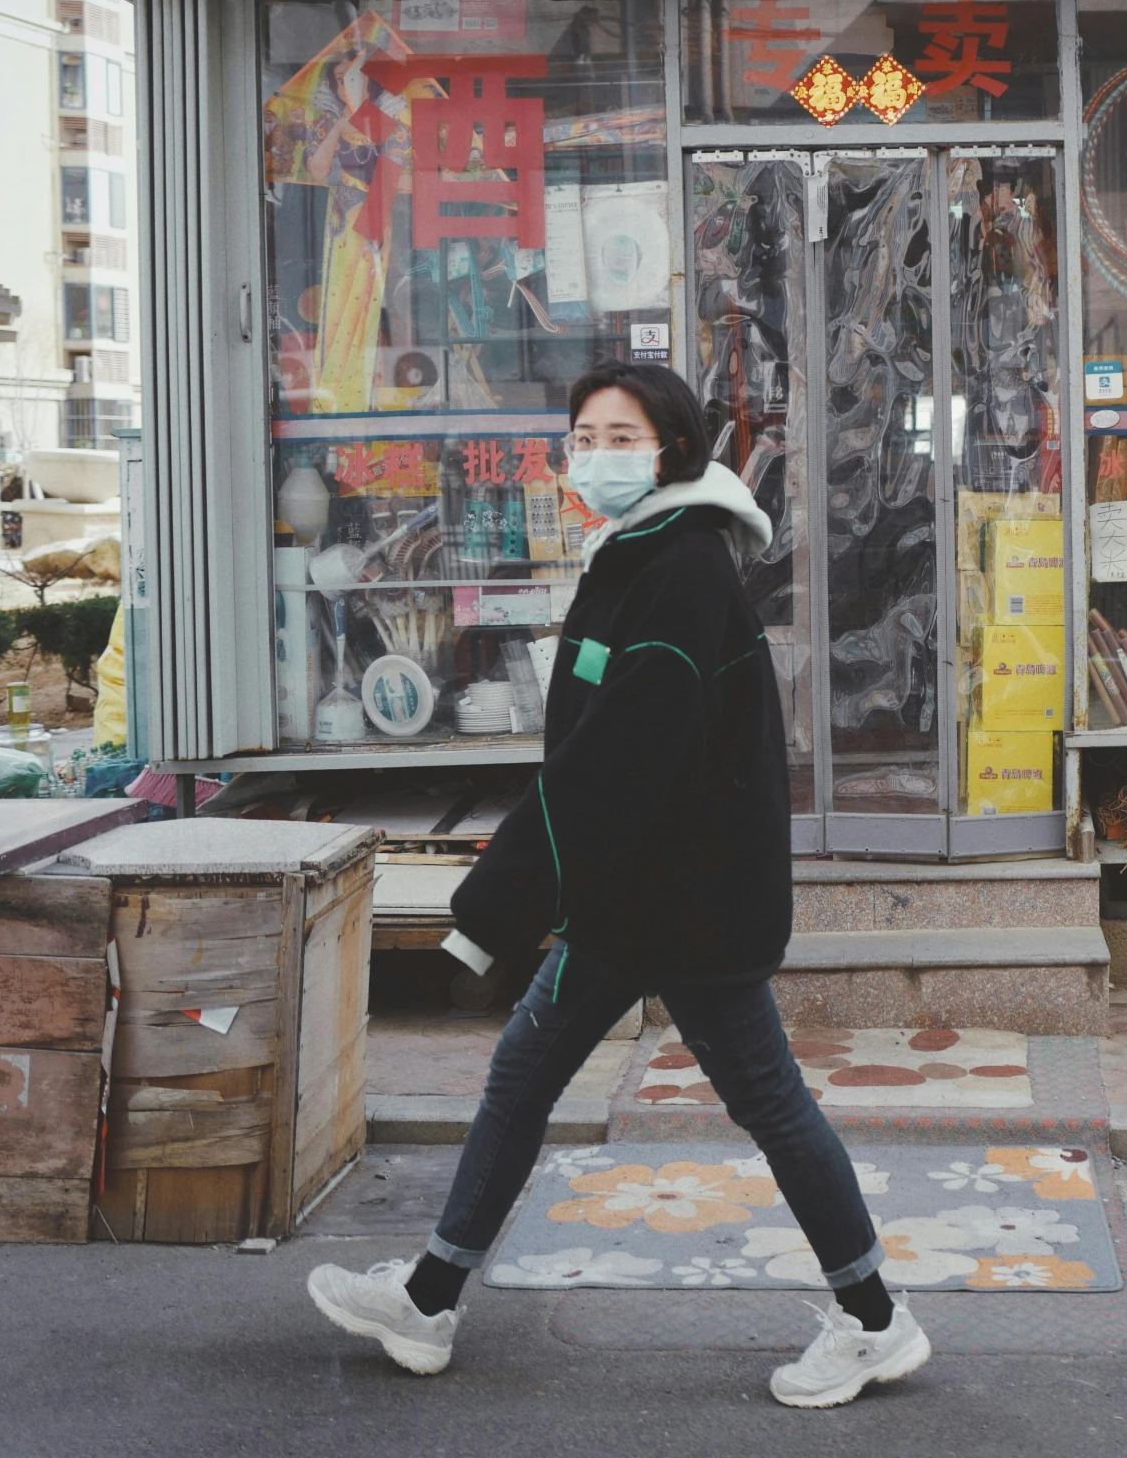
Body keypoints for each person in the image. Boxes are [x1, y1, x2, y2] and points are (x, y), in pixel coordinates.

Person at [306, 362, 929, 1408]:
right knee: (524, 1075)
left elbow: (619, 760)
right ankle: (430, 1298)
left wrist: (498, 895)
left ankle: (874, 1319)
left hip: (687, 906)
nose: (592, 453)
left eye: (616, 434)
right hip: (635, 899)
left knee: (768, 1102)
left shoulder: (682, 571)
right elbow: (603, 752)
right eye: (581, 434)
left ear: (671, 450)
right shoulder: (638, 558)